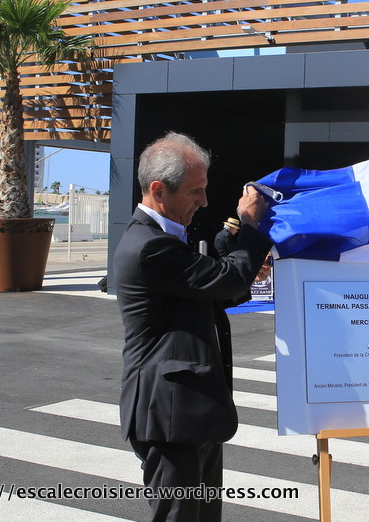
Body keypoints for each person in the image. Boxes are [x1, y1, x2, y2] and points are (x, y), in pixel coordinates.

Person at [113, 132, 274, 522]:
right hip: (169, 415)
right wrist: (249, 228)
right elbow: (228, 280)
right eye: (194, 191)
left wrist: (235, 246)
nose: (203, 201)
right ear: (158, 190)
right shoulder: (149, 245)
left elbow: (213, 288)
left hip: (190, 411)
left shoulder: (164, 239)